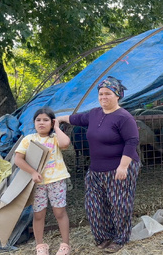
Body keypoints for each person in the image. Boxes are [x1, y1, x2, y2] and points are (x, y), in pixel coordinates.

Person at [57, 76, 140, 253]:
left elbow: (132, 142)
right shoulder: (94, 114)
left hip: (119, 167)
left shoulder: (124, 117)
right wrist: (58, 119)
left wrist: (124, 166)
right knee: (94, 205)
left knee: (120, 204)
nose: (103, 97)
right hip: (95, 170)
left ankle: (120, 238)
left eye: (108, 94)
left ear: (117, 96)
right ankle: (103, 236)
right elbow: (75, 119)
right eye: (101, 94)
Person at [14, 107, 71, 255]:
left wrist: (57, 127)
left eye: (46, 120)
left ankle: (65, 244)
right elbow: (18, 159)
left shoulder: (55, 138)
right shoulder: (29, 139)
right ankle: (40, 245)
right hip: (37, 183)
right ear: (34, 123)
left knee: (60, 213)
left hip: (56, 181)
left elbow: (65, 144)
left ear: (51, 123)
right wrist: (32, 172)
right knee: (39, 214)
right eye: (38, 120)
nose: (41, 123)